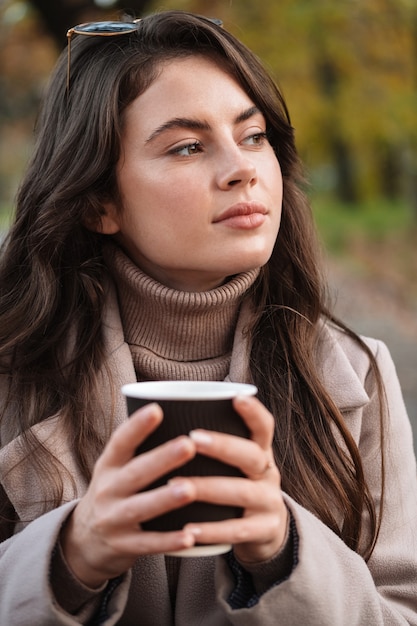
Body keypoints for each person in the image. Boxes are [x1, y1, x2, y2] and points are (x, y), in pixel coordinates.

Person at [0, 9, 416, 625]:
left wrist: (285, 551)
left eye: (253, 137)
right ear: (97, 202)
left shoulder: (357, 372)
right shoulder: (13, 369)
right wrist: (71, 555)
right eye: (188, 146)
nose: (243, 168)